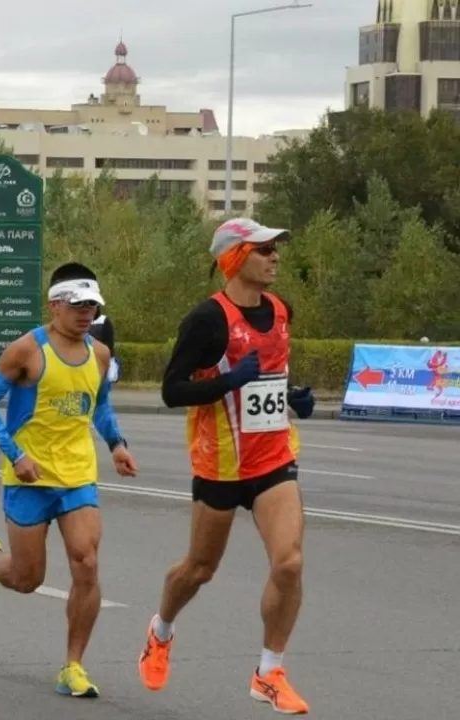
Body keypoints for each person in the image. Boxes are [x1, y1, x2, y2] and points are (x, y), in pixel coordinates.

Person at [138, 218, 317, 715]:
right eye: (263, 250)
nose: (275, 256)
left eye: (276, 248)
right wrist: (229, 381)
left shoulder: (282, 310)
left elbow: (271, 376)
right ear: (236, 258)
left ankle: (269, 672)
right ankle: (161, 631)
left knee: (290, 563)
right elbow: (172, 391)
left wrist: (291, 396)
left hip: (274, 458)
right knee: (199, 570)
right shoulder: (206, 321)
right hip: (220, 464)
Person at [0, 262, 138, 699]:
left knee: (87, 561)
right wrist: (17, 455)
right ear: (55, 305)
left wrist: (116, 443)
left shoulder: (99, 354)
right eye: (78, 306)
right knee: (27, 579)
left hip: (78, 475)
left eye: (92, 307)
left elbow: (97, 405)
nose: (86, 315)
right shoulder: (26, 351)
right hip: (29, 476)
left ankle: (73, 666)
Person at [88, 309, 119, 383]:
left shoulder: (104, 320)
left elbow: (109, 341)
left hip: (100, 356)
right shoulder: (82, 320)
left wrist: (110, 358)